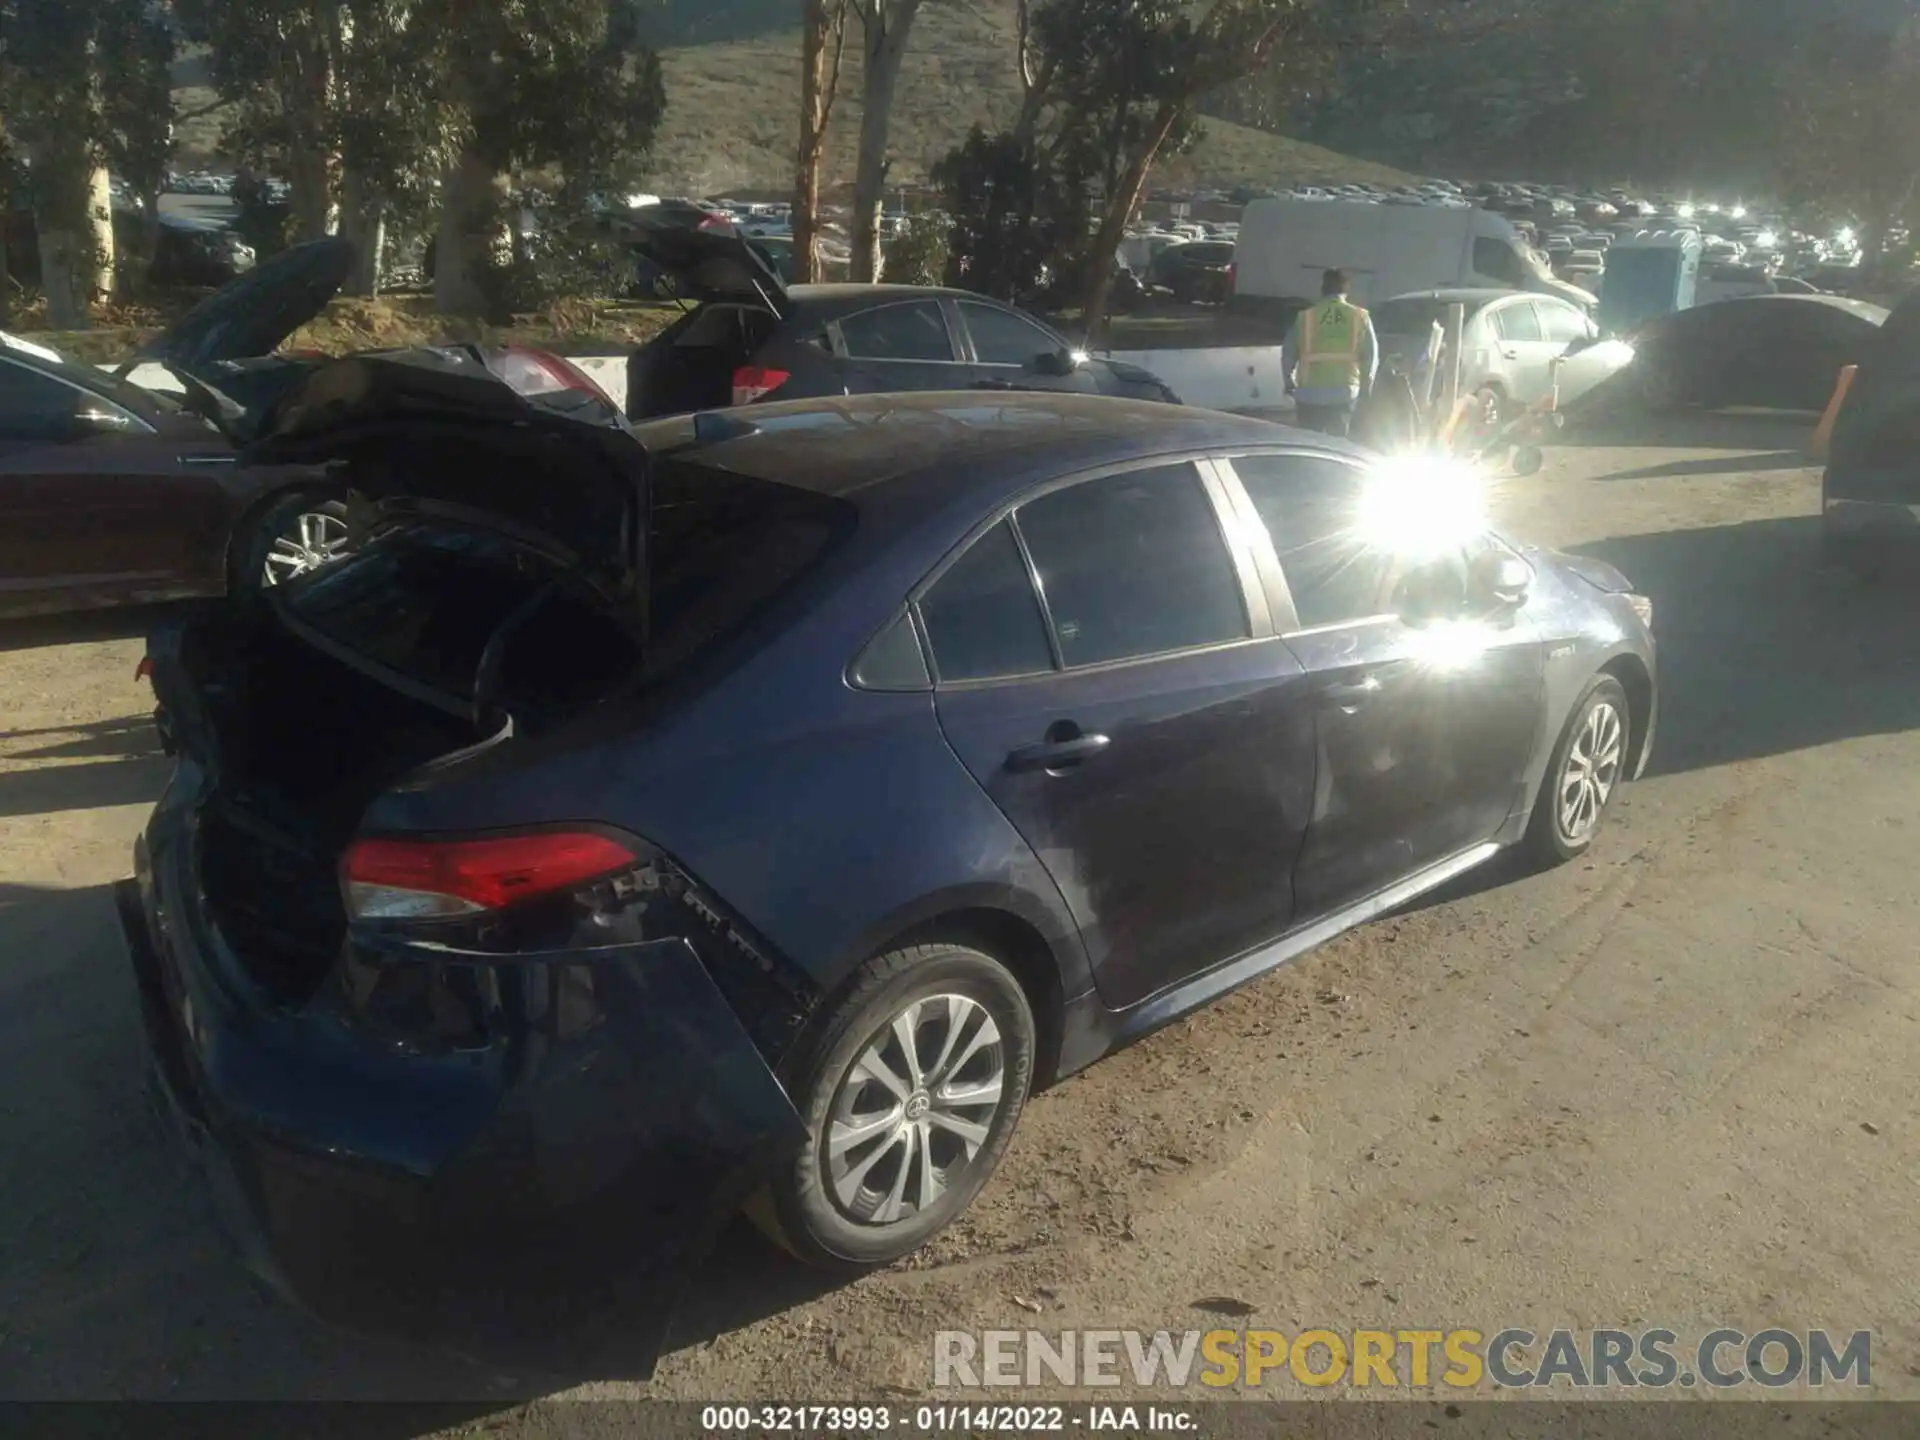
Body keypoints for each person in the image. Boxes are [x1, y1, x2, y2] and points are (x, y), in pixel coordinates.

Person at [1283, 269, 1380, 438]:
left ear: (1322, 289)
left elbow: (1288, 353)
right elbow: (1371, 355)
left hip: (1309, 394)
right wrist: (1366, 387)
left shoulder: (1306, 317)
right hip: (1343, 393)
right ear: (1347, 290)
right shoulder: (1360, 316)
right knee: (1338, 446)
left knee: (1309, 445)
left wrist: (1288, 381)